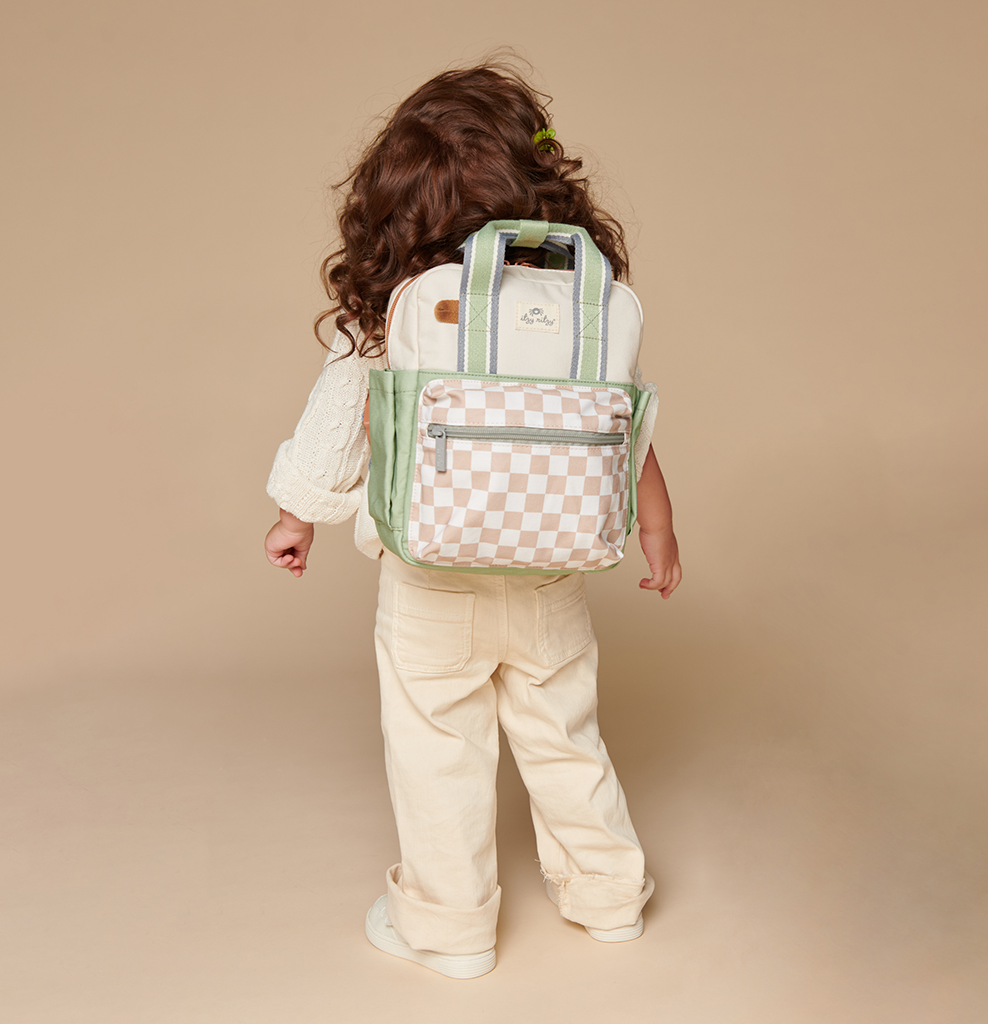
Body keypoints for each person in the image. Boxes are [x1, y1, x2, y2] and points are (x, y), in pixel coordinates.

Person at [264, 60, 681, 980]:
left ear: (397, 200)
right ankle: (609, 899)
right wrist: (656, 526)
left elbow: (338, 416)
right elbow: (625, 425)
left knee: (437, 751)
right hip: (551, 574)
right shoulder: (583, 297)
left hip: (431, 581)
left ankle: (448, 931)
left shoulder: (393, 308)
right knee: (563, 737)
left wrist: (299, 515)